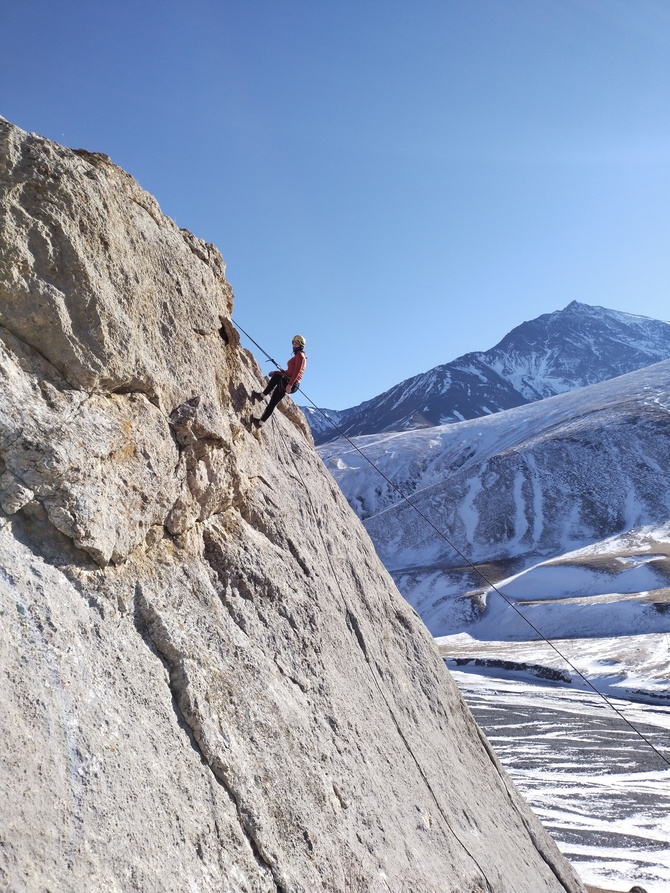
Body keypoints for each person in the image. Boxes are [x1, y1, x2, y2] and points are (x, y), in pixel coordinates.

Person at [249, 335, 307, 427]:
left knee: (273, 401)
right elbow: (290, 372)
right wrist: (276, 372)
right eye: (293, 342)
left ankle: (260, 422)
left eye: (296, 343)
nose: (293, 345)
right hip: (289, 380)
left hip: (290, 382)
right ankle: (262, 396)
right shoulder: (298, 356)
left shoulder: (300, 356)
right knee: (276, 376)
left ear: (300, 345)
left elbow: (297, 372)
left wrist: (290, 384)